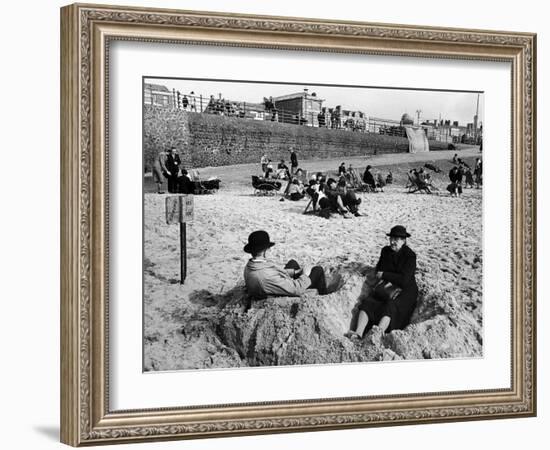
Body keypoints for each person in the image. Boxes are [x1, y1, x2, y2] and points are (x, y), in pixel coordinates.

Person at [346, 225, 418, 338]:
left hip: (406, 291)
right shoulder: (385, 251)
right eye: (392, 238)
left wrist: (386, 275)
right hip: (387, 286)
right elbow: (379, 268)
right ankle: (359, 333)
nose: (393, 242)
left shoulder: (410, 256)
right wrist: (388, 276)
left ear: (403, 241)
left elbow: (404, 280)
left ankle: (377, 334)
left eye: (397, 239)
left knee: (390, 306)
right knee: (368, 302)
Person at [243, 230, 328, 299]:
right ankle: (323, 298)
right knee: (318, 270)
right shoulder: (264, 275)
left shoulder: (251, 266)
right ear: (266, 249)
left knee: (292, 263)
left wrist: (295, 272)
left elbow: (272, 272)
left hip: (270, 287)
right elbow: (295, 289)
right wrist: (305, 275)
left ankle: (302, 277)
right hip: (282, 294)